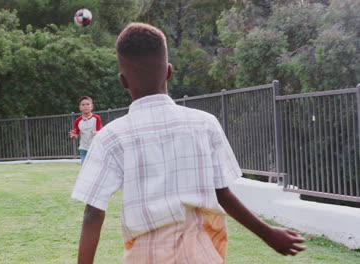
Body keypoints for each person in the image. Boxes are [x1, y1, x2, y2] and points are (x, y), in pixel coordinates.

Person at [71, 23, 306, 264]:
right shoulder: (204, 124)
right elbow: (223, 193)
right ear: (169, 72)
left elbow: (93, 213)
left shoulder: (112, 136)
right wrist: (268, 234)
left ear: (123, 81)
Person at [69, 96, 103, 164]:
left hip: (95, 148)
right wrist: (73, 135)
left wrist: (97, 133)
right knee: (84, 168)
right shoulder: (78, 121)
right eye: (83, 105)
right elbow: (76, 136)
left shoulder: (96, 118)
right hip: (83, 149)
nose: (86, 106)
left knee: (95, 167)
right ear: (80, 108)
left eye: (88, 104)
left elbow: (101, 132)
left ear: (92, 106)